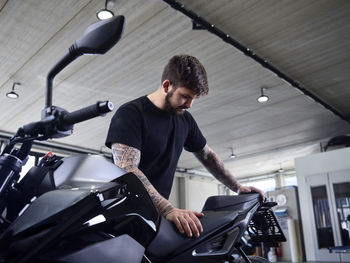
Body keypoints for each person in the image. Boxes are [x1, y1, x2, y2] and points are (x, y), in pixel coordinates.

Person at [105, 55, 264, 238]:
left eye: (193, 98)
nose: (189, 104)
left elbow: (207, 156)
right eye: (185, 96)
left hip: (153, 217)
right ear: (166, 86)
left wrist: (237, 186)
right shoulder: (131, 114)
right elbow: (127, 169)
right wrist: (169, 209)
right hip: (121, 217)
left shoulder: (184, 120)